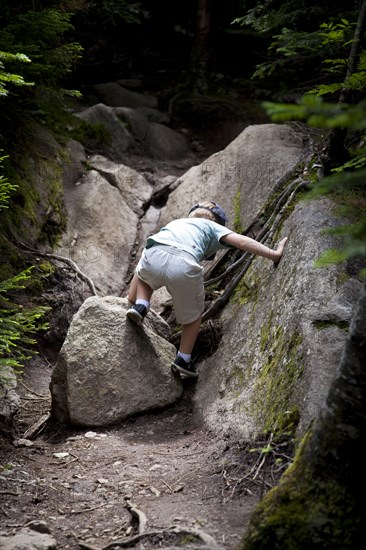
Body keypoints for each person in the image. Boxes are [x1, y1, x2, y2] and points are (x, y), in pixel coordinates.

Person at [126, 201, 288, 378]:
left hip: (155, 251)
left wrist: (130, 298)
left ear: (192, 213)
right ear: (216, 220)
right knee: (193, 317)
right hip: (184, 263)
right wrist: (274, 254)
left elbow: (140, 273)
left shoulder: (177, 223)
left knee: (144, 270)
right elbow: (242, 241)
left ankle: (141, 304)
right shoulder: (212, 227)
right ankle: (183, 358)